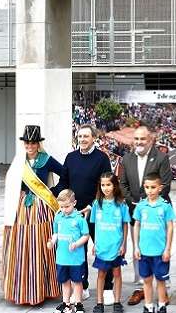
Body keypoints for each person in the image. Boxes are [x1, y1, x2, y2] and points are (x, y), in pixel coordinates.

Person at [2, 125, 64, 305]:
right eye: (27, 143)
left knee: (41, 244)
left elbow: (64, 173)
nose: (30, 146)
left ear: (38, 144)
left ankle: (43, 289)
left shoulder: (47, 159)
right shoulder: (19, 161)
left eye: (33, 143)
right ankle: (24, 289)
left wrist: (54, 191)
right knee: (22, 244)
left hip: (42, 207)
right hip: (22, 207)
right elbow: (11, 182)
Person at [55, 124, 113, 297]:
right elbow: (63, 183)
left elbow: (106, 187)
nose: (82, 139)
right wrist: (56, 196)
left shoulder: (102, 158)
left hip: (96, 212)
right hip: (75, 215)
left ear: (93, 138)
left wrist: (91, 206)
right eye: (80, 136)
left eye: (86, 136)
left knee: (102, 249)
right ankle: (83, 286)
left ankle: (108, 287)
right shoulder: (71, 157)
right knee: (78, 251)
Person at [118, 122, 173, 306]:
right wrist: (132, 202)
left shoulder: (161, 158)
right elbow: (123, 184)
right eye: (136, 139)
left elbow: (165, 185)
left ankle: (162, 288)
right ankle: (141, 287)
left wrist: (147, 203)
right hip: (135, 211)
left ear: (150, 140)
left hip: (157, 213)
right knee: (138, 249)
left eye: (143, 139)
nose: (139, 142)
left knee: (160, 248)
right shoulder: (127, 159)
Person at [133, 173, 176, 313]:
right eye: (147, 187)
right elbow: (136, 225)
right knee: (146, 280)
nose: (150, 190)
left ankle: (162, 305)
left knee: (161, 280)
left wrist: (167, 249)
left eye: (153, 187)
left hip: (160, 252)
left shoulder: (165, 206)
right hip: (144, 251)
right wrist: (136, 247)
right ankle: (148, 306)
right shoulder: (141, 206)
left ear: (160, 188)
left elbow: (170, 227)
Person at [90, 172, 131, 313]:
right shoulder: (97, 204)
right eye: (103, 185)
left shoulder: (121, 204)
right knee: (101, 274)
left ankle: (117, 302)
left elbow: (125, 224)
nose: (105, 188)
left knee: (117, 274)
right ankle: (99, 303)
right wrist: (95, 243)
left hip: (116, 246)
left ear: (115, 186)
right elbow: (95, 226)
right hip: (102, 246)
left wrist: (124, 244)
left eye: (108, 184)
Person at [49, 190, 90, 313]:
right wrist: (52, 242)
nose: (64, 210)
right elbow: (56, 233)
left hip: (76, 259)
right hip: (62, 258)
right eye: (61, 207)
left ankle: (78, 304)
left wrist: (77, 244)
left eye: (67, 206)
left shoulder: (79, 219)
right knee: (64, 281)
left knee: (77, 282)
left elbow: (86, 235)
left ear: (74, 203)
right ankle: (66, 304)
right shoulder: (58, 217)